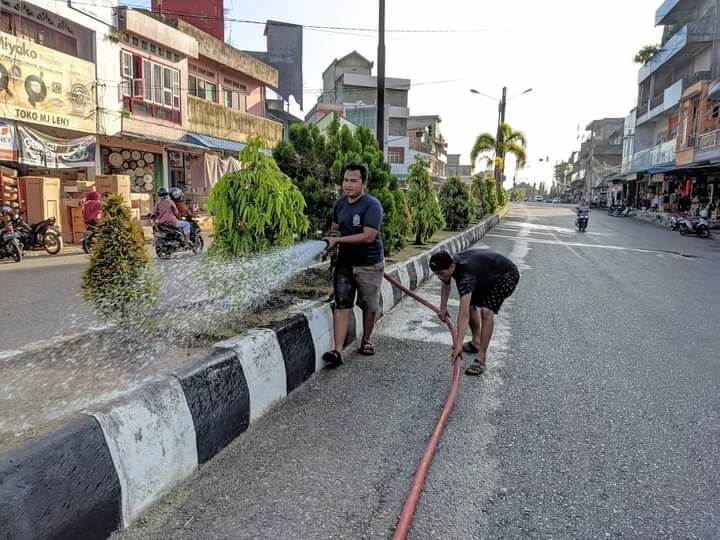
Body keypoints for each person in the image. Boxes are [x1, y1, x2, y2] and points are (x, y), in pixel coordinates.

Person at [322, 161, 384, 367]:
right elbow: (335, 229)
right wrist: (331, 244)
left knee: (370, 305)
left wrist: (338, 241)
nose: (348, 184)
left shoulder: (372, 205)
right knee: (342, 304)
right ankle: (337, 350)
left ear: (364, 182)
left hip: (369, 264)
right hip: (345, 264)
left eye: (353, 181)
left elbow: (368, 236)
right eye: (345, 180)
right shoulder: (339, 204)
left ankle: (366, 339)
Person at [430, 248, 520, 376]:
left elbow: (464, 314)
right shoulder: (450, 265)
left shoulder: (465, 274)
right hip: (486, 276)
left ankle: (481, 358)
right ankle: (476, 342)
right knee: (471, 303)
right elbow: (446, 283)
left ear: (451, 266)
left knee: (486, 311)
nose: (439, 277)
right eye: (436, 274)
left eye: (441, 273)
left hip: (506, 275)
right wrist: (443, 308)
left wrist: (458, 344)